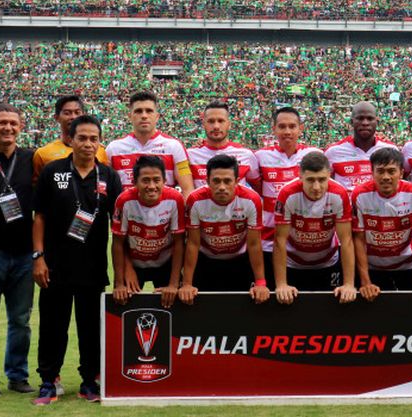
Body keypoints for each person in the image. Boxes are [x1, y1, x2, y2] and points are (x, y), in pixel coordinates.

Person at [32, 115, 122, 405]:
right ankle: (49, 381)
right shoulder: (53, 171)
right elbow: (40, 217)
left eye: (93, 138)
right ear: (70, 140)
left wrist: (119, 272)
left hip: (92, 267)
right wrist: (38, 257)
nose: (87, 143)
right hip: (55, 266)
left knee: (91, 327)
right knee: (52, 325)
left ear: (99, 142)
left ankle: (89, 382)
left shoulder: (108, 176)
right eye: (81, 138)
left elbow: (118, 226)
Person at [351, 148, 412, 305]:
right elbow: (358, 239)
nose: (386, 177)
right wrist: (365, 282)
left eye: (391, 171)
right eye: (380, 171)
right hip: (372, 266)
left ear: (402, 172)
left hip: (408, 264)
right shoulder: (359, 195)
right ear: (372, 172)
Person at [179, 154, 269, 305]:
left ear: (237, 181)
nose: (222, 187)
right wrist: (187, 284)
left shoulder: (251, 200)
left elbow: (254, 244)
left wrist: (260, 282)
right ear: (207, 181)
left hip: (239, 261)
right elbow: (193, 243)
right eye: (216, 181)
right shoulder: (195, 200)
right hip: (206, 261)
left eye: (227, 181)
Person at [273, 152, 356, 304]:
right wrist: (281, 284)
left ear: (329, 175)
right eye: (310, 180)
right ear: (300, 176)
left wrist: (349, 284)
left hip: (328, 262)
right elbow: (279, 240)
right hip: (293, 263)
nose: (316, 187)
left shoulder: (339, 194)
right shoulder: (287, 194)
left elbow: (346, 240)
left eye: (322, 180)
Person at [0, 105, 35, 397]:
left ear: (21, 126)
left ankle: (17, 375)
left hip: (23, 252)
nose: (8, 128)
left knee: (20, 319)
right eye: (2, 123)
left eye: (13, 123)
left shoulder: (33, 158)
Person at [255, 107, 322, 287]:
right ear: (274, 129)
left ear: (301, 128)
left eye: (292, 126)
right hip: (269, 241)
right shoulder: (261, 157)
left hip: (303, 240)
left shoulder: (314, 155)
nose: (287, 131)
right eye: (282, 126)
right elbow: (256, 188)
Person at [110, 155, 185, 310]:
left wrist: (173, 284)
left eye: (156, 180)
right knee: (124, 303)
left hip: (165, 263)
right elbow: (118, 242)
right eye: (145, 180)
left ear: (164, 181)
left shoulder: (175, 199)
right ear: (135, 182)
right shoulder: (124, 201)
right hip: (134, 263)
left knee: (172, 306)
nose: (151, 186)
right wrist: (119, 282)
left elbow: (179, 242)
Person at [105, 91, 194, 197]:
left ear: (157, 116)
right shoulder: (114, 148)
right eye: (138, 111)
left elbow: (187, 189)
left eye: (149, 111)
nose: (144, 116)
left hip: (164, 212)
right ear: (130, 116)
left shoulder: (174, 147)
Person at [325, 101, 397, 194]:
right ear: (351, 122)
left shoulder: (390, 149)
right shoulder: (333, 152)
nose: (365, 123)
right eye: (360, 118)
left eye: (370, 118)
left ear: (377, 122)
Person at [187, 101, 261, 191]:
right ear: (203, 124)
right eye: (211, 121)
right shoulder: (190, 155)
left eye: (221, 121)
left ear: (229, 124)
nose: (216, 126)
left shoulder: (246, 155)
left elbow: (259, 189)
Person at [32, 95, 109, 181]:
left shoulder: (100, 151)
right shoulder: (42, 154)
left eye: (77, 112)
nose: (73, 117)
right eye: (67, 113)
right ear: (56, 117)